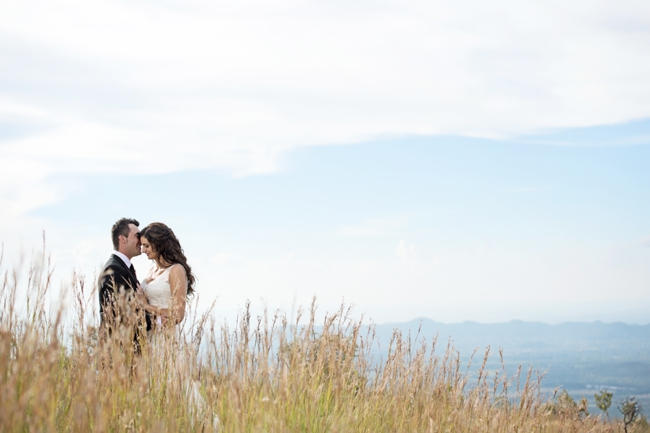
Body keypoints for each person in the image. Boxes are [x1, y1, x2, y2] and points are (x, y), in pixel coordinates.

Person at [98, 217, 150, 347]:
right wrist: (158, 321)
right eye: (137, 236)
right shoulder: (114, 269)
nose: (141, 241)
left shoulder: (123, 267)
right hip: (119, 353)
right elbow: (123, 315)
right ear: (123, 239)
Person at [137, 222, 195, 330]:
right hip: (148, 333)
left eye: (146, 246)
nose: (143, 250)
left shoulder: (176, 270)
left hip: (164, 336)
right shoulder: (152, 270)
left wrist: (146, 306)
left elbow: (178, 315)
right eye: (142, 246)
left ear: (159, 244)